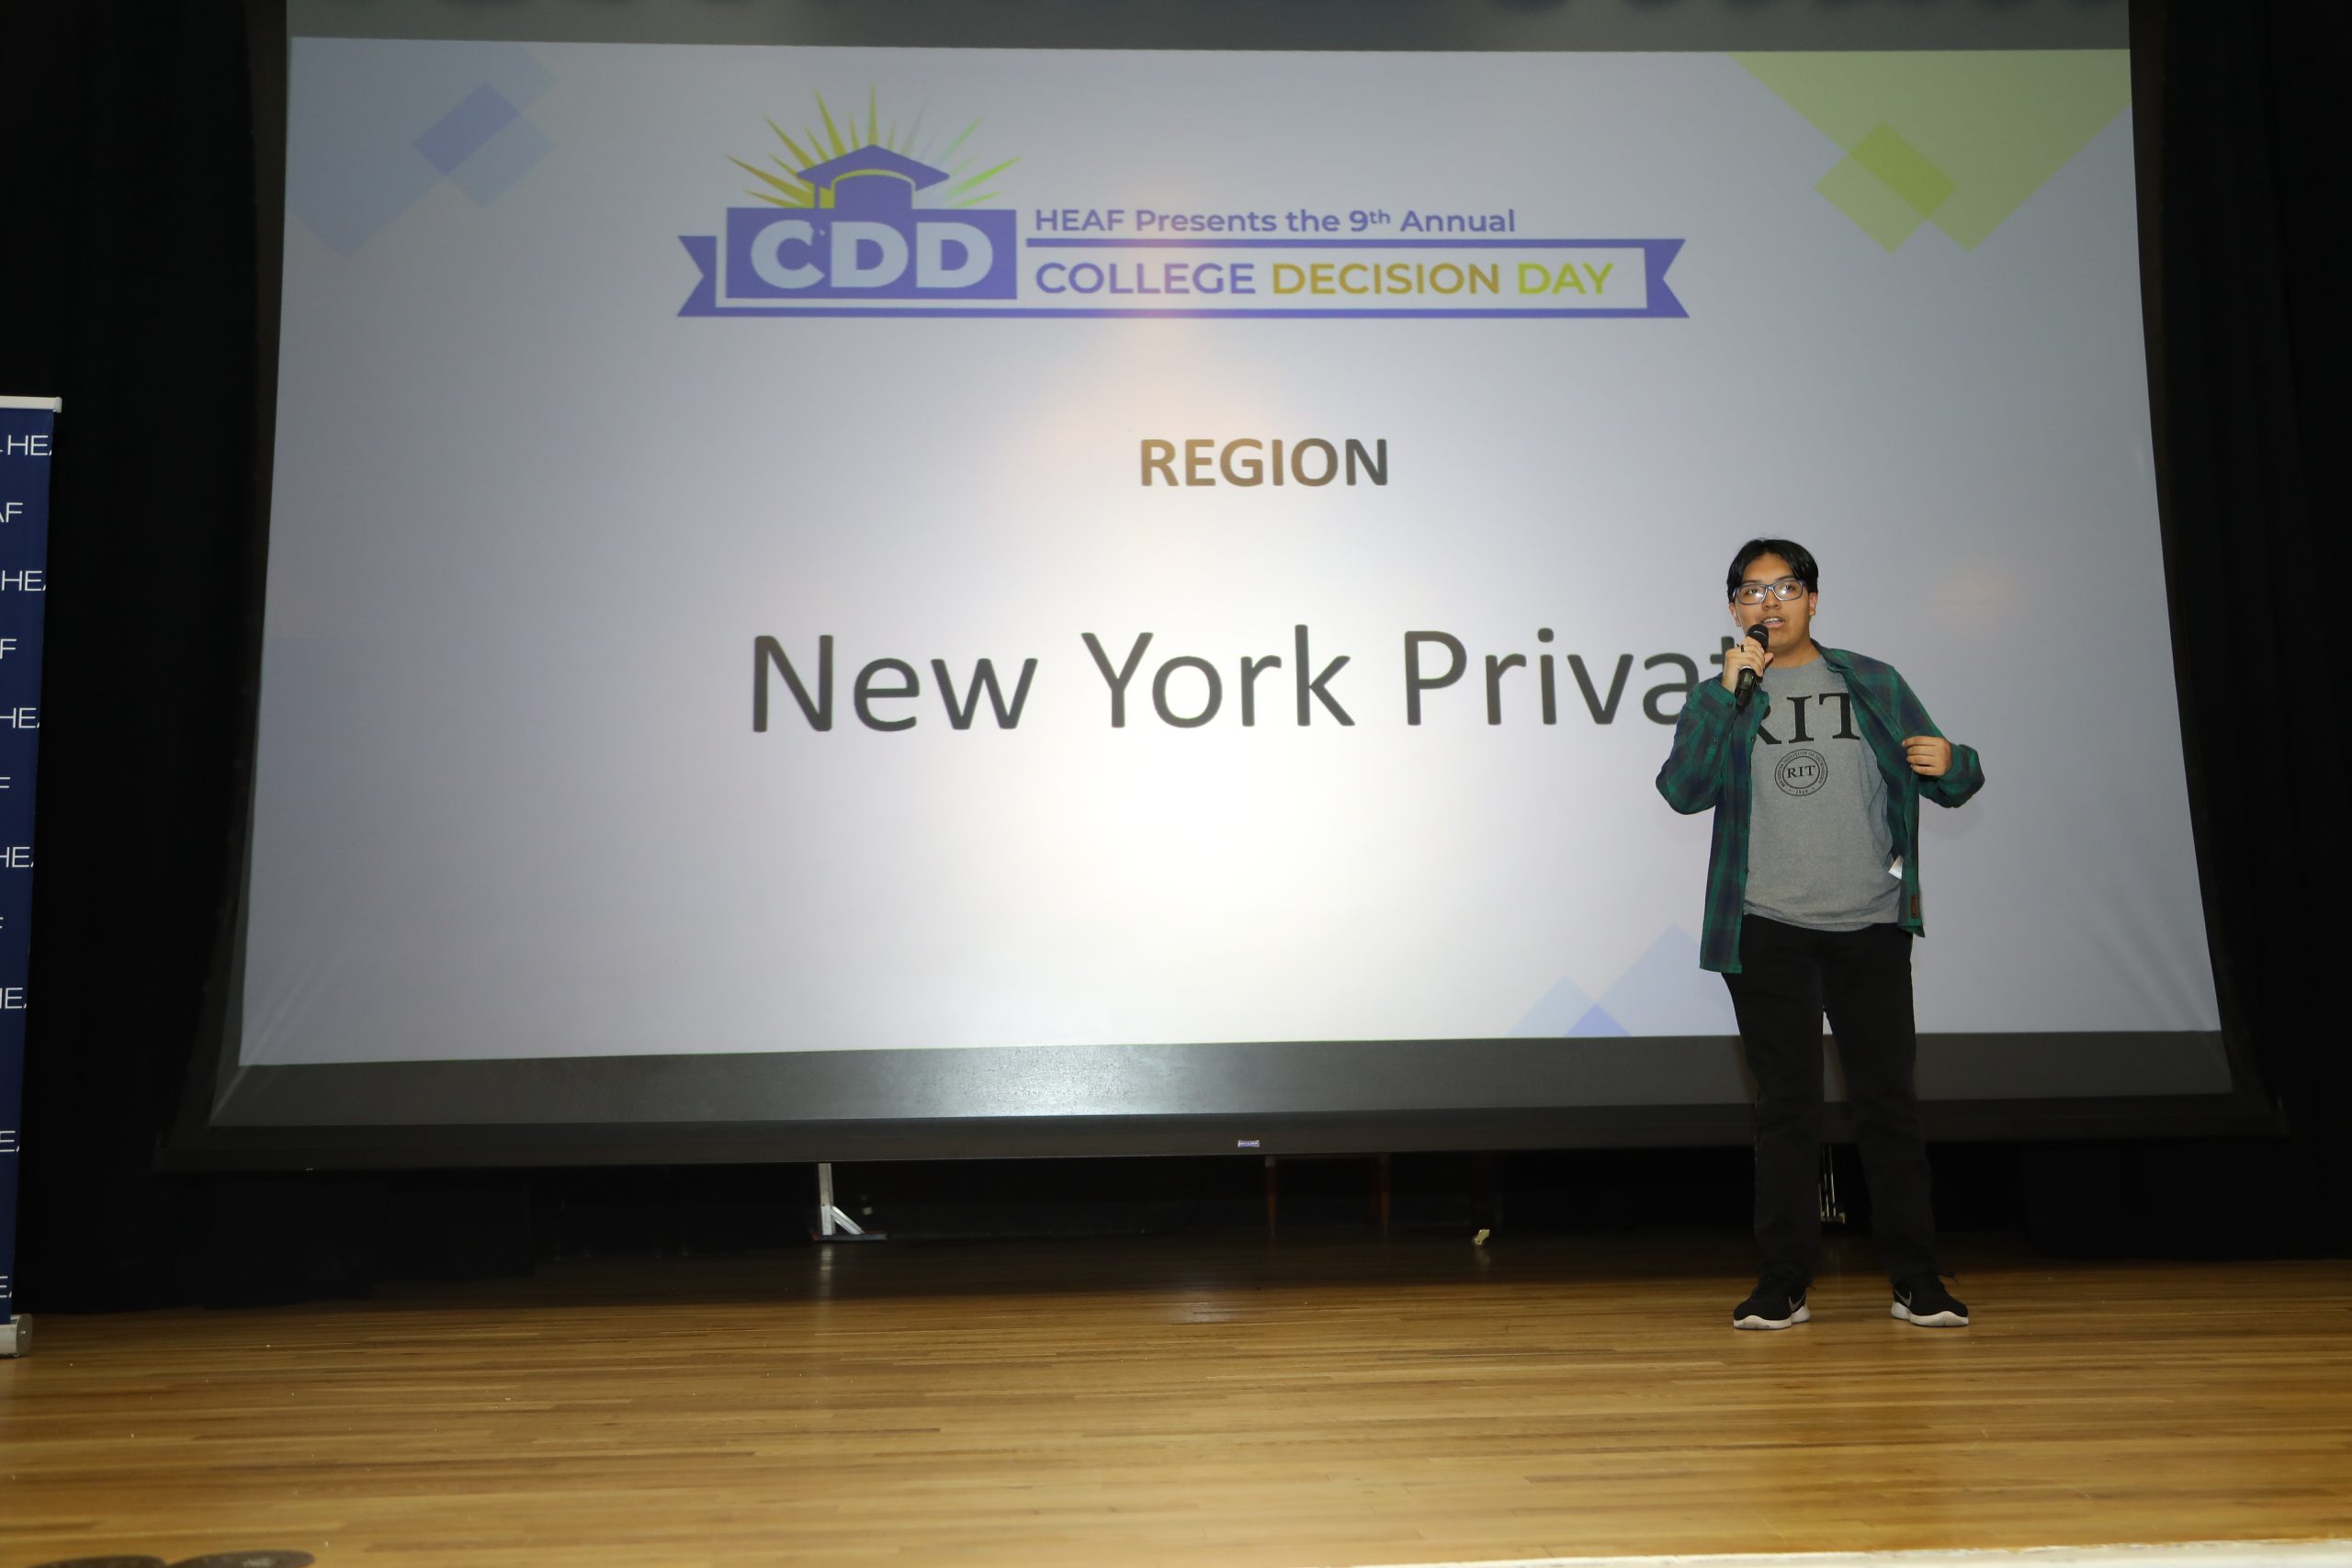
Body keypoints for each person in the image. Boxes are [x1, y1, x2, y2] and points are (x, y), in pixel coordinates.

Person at [1656, 539, 1984, 1330]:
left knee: (1888, 1105)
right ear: (1733, 608)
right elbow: (1683, 790)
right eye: (1752, 591)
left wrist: (1953, 760)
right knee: (1786, 1111)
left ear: (1813, 600)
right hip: (1765, 928)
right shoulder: (1717, 696)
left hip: (1870, 924)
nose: (1769, 603)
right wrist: (1729, 695)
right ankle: (1783, 1283)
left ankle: (1916, 1280)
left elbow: (1956, 781)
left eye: (1786, 587)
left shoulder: (1873, 681)